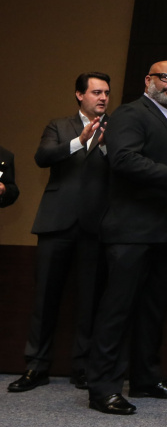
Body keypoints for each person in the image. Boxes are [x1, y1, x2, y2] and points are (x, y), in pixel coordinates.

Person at [87, 60, 167, 415]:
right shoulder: (128, 114)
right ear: (148, 80)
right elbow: (123, 159)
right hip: (131, 232)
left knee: (153, 311)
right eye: (164, 77)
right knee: (117, 311)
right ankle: (103, 388)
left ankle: (145, 378)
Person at [8, 73, 111, 394]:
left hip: (95, 227)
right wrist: (80, 140)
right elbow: (42, 158)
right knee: (45, 299)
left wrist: (107, 149)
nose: (103, 98)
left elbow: (124, 169)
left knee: (88, 301)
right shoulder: (59, 126)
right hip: (56, 223)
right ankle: (36, 366)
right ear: (80, 95)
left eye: (107, 92)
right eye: (96, 92)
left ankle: (82, 367)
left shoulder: (116, 129)